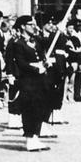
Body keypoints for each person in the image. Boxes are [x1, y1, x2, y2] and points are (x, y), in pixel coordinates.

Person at [7, 16, 51, 152]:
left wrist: (57, 31)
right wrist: (36, 69)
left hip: (40, 79)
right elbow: (21, 63)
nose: (34, 27)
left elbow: (49, 43)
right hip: (27, 79)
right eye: (30, 24)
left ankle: (36, 136)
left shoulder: (36, 40)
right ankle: (29, 137)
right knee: (29, 108)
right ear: (22, 26)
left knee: (40, 107)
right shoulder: (17, 42)